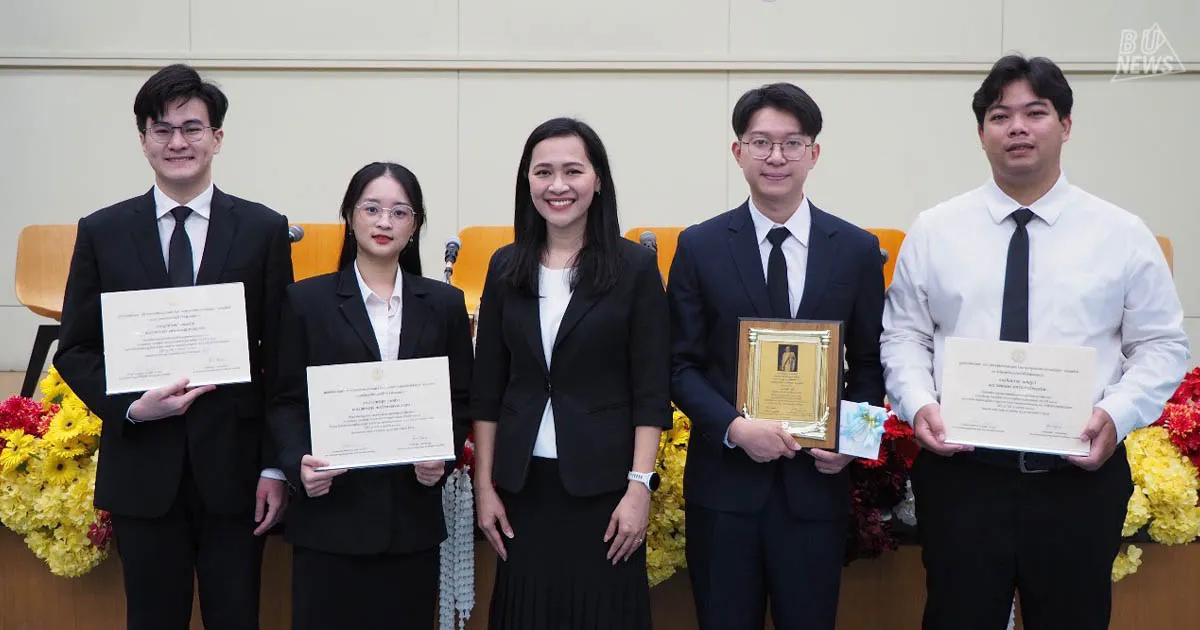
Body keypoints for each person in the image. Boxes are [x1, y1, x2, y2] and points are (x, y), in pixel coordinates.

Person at [880, 54, 1190, 630]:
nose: (1017, 127)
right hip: (964, 477)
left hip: (1077, 478)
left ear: (1065, 125)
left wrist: (1115, 414)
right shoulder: (935, 229)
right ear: (981, 134)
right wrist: (918, 402)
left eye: (1035, 112)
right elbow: (904, 334)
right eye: (1000, 115)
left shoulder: (1121, 234)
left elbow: (1162, 346)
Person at [53, 63, 291, 629]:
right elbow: (76, 347)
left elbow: (282, 354)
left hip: (235, 474)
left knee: (237, 618)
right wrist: (132, 406)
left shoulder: (262, 229)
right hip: (143, 469)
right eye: (161, 129)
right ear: (142, 141)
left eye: (192, 127)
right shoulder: (102, 231)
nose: (177, 141)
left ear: (217, 138)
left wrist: (275, 469)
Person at [667, 82, 886, 630]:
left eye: (792, 143)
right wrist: (734, 428)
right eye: (761, 142)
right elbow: (679, 364)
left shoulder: (857, 249)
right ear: (738, 151)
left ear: (814, 153)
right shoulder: (700, 246)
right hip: (724, 490)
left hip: (815, 489)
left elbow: (870, 361)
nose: (776, 157)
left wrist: (851, 442)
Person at [470, 117, 672, 630]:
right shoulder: (504, 266)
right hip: (522, 490)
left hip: (606, 492)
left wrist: (638, 487)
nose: (557, 186)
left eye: (572, 171)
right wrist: (485, 487)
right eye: (543, 172)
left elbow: (651, 391)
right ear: (527, 182)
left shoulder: (634, 268)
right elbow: (488, 388)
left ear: (597, 179)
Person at [266, 161, 474, 630]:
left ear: (415, 224)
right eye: (373, 209)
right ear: (350, 215)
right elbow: (285, 400)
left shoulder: (444, 305)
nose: (385, 222)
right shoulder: (305, 301)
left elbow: (460, 398)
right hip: (330, 517)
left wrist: (442, 454)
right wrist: (298, 462)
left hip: (411, 522)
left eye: (400, 212)